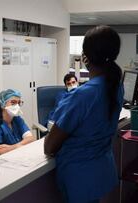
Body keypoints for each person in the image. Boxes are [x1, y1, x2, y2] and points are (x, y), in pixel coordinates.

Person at [44, 25, 124, 203]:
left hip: (79, 176)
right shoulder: (116, 86)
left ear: (86, 57)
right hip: (101, 169)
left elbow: (49, 147)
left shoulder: (82, 95)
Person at [0, 89, 36, 155]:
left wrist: (13, 146)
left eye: (18, 103)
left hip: (19, 154)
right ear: (2, 104)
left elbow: (31, 138)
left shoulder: (17, 119)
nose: (17, 106)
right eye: (13, 102)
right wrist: (18, 146)